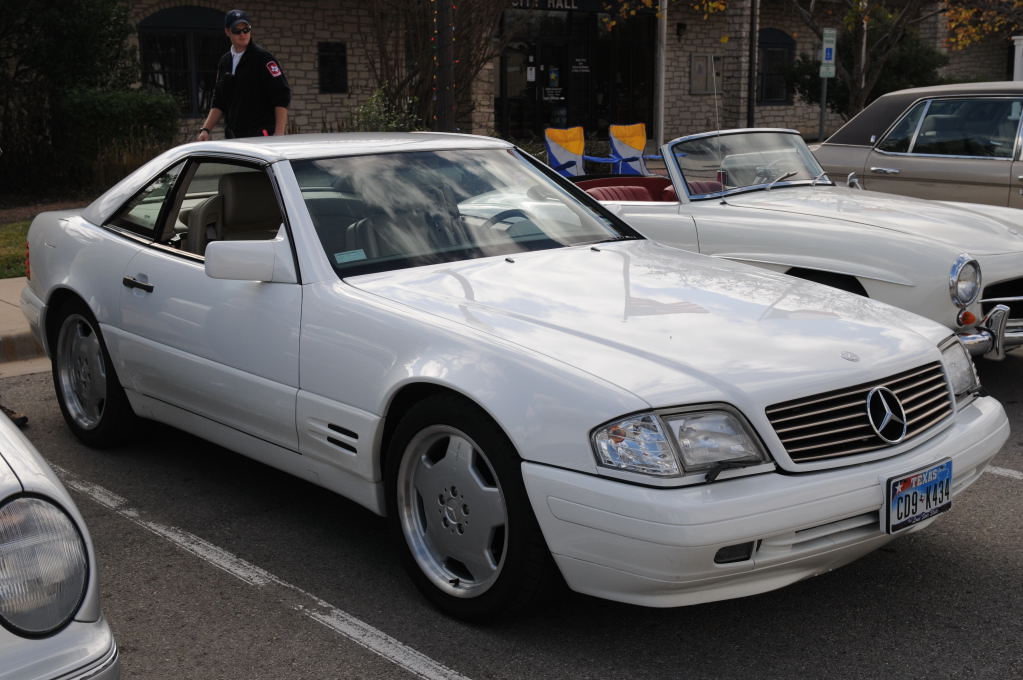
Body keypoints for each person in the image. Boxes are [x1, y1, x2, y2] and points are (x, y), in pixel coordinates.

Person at [196, 9, 291, 140]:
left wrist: (279, 134)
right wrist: (205, 130)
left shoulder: (263, 58)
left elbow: (282, 95)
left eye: (246, 30)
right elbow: (219, 100)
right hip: (233, 137)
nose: (243, 34)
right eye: (237, 30)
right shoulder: (225, 61)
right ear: (227, 31)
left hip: (261, 136)